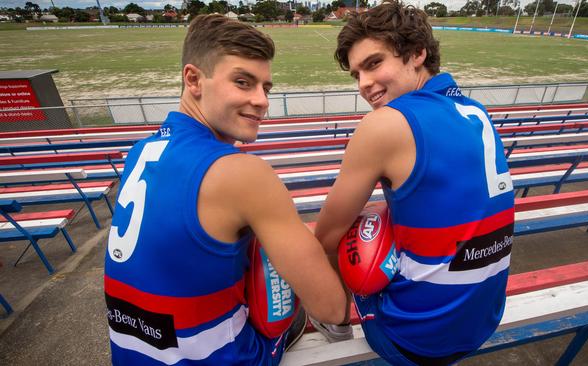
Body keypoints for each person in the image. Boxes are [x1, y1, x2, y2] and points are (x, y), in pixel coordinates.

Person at [104, 14, 346, 365]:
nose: (262, 100)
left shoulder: (140, 150)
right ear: (194, 79)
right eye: (243, 82)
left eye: (266, 88)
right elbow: (331, 307)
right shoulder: (241, 174)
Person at [312, 1, 515, 365]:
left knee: (338, 240)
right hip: (483, 321)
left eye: (374, 64)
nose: (364, 85)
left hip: (415, 338)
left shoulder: (386, 124)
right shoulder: (475, 110)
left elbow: (325, 239)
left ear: (418, 53)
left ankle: (333, 323)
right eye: (356, 74)